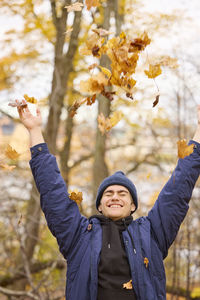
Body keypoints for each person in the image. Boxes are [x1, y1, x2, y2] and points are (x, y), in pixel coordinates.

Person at [17, 100, 200, 300]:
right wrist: (34, 130)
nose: (114, 196)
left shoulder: (152, 233)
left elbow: (177, 191)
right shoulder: (78, 236)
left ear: (132, 206)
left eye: (123, 194)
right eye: (108, 193)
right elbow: (53, 193)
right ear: (100, 206)